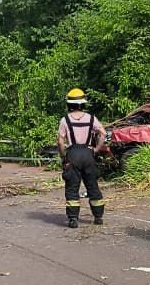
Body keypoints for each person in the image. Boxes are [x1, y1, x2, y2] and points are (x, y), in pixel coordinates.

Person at [57, 88, 106, 228]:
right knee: (92, 186)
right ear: (83, 103)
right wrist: (96, 149)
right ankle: (98, 217)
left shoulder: (65, 120)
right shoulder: (91, 118)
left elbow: (60, 141)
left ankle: (73, 219)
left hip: (73, 154)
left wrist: (63, 156)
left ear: (69, 104)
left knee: (72, 187)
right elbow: (103, 133)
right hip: (88, 154)